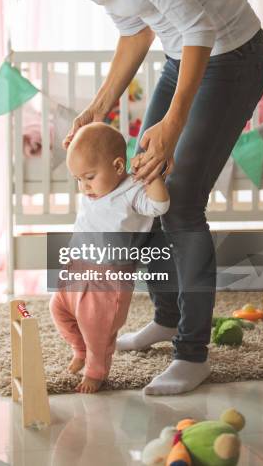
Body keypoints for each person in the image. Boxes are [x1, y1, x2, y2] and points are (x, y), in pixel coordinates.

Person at [0, 0, 263, 395]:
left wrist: (172, 120)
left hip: (231, 54)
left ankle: (193, 352)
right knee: (141, 187)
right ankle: (165, 316)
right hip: (182, 54)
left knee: (179, 202)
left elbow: (201, 25)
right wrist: (97, 106)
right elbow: (135, 33)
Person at [49, 122, 170, 393]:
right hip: (77, 268)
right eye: (78, 179)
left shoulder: (132, 190)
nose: (84, 186)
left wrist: (153, 178)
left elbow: (159, 205)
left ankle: (97, 369)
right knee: (58, 310)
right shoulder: (94, 189)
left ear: (117, 167)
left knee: (97, 329)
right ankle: (79, 349)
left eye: (89, 177)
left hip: (107, 278)